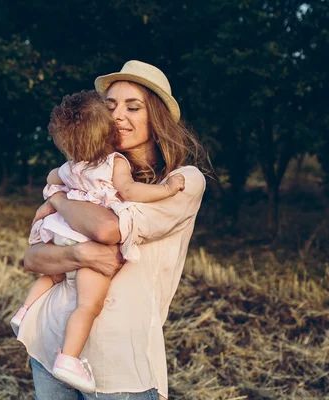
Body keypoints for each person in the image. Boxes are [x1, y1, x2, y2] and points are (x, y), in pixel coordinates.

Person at [17, 60, 207, 400]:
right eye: (110, 107)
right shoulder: (84, 173)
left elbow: (108, 229)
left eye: (133, 107)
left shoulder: (182, 182)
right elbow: (32, 259)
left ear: (157, 117)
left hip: (119, 365)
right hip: (51, 345)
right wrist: (76, 252)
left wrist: (58, 200)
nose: (118, 116)